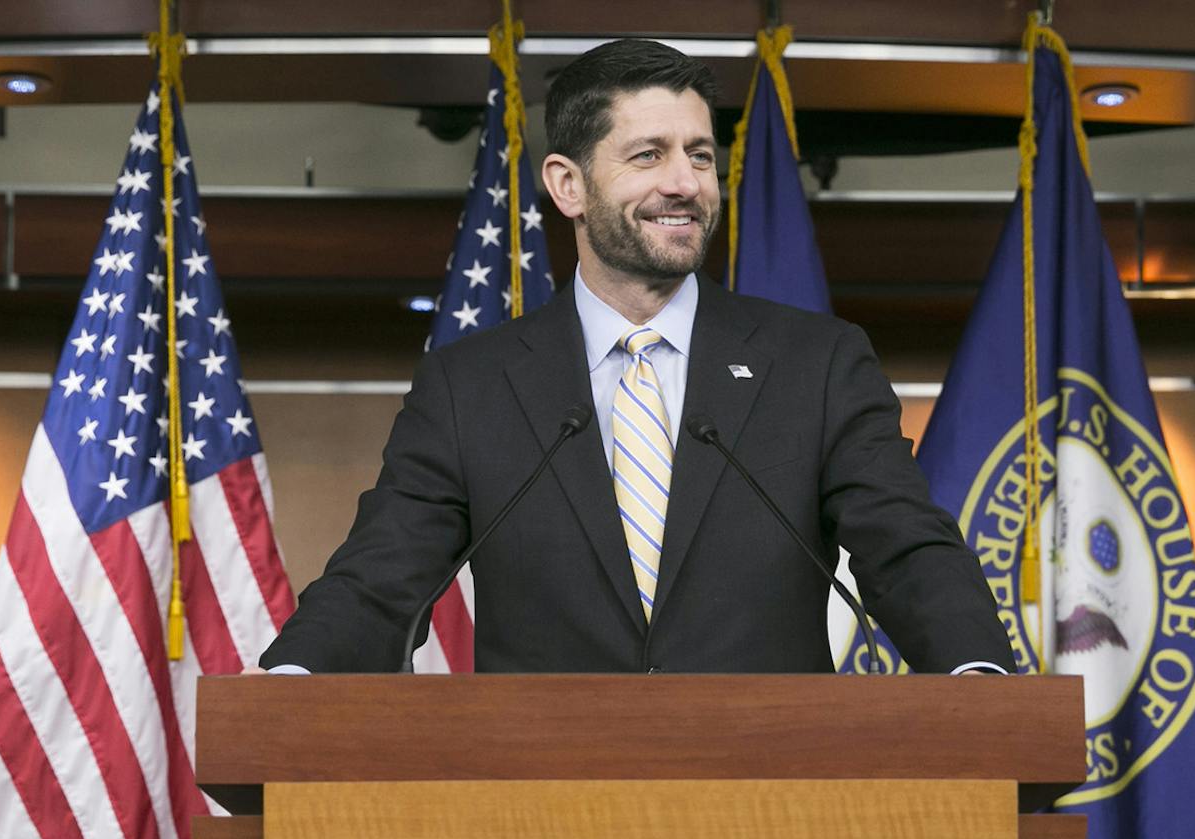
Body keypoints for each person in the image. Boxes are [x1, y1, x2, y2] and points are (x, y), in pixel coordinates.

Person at [257, 39, 1010, 675]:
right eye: (649, 155)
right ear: (568, 186)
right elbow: (380, 583)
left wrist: (980, 677)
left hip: (773, 815)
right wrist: (290, 689)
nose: (685, 183)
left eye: (701, 156)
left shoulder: (817, 365)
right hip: (542, 817)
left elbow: (909, 550)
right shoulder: (471, 387)